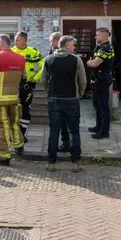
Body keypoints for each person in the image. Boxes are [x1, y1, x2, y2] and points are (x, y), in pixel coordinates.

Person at [42, 35, 86, 172]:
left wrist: (50, 93)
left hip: (54, 100)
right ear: (66, 46)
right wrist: (79, 94)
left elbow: (44, 80)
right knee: (74, 131)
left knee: (54, 131)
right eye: (73, 45)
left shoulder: (48, 59)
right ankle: (76, 163)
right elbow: (82, 80)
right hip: (72, 100)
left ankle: (51, 163)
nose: (74, 47)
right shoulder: (75, 59)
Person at [0, 34, 27, 166]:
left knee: (2, 128)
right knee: (14, 123)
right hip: (14, 99)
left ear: (2, 43)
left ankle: (4, 156)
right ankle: (19, 146)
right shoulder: (20, 58)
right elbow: (24, 78)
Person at [11, 31, 44, 142]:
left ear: (25, 40)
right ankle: (13, 134)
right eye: (15, 39)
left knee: (25, 111)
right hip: (12, 86)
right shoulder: (11, 51)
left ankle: (21, 134)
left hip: (26, 86)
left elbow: (44, 67)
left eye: (18, 40)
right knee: (12, 111)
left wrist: (34, 78)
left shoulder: (33, 52)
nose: (15, 42)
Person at [86, 27, 115, 139]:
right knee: (96, 104)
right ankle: (98, 126)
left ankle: (104, 131)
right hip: (97, 79)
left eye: (97, 35)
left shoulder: (106, 48)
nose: (95, 37)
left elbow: (95, 63)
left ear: (104, 35)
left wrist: (89, 62)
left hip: (102, 79)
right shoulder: (100, 47)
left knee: (103, 106)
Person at [48, 31, 70, 153]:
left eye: (51, 42)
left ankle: (66, 144)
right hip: (56, 93)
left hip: (62, 94)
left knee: (63, 121)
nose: (50, 44)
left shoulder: (67, 54)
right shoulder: (52, 53)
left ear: (56, 41)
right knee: (59, 122)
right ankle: (63, 144)